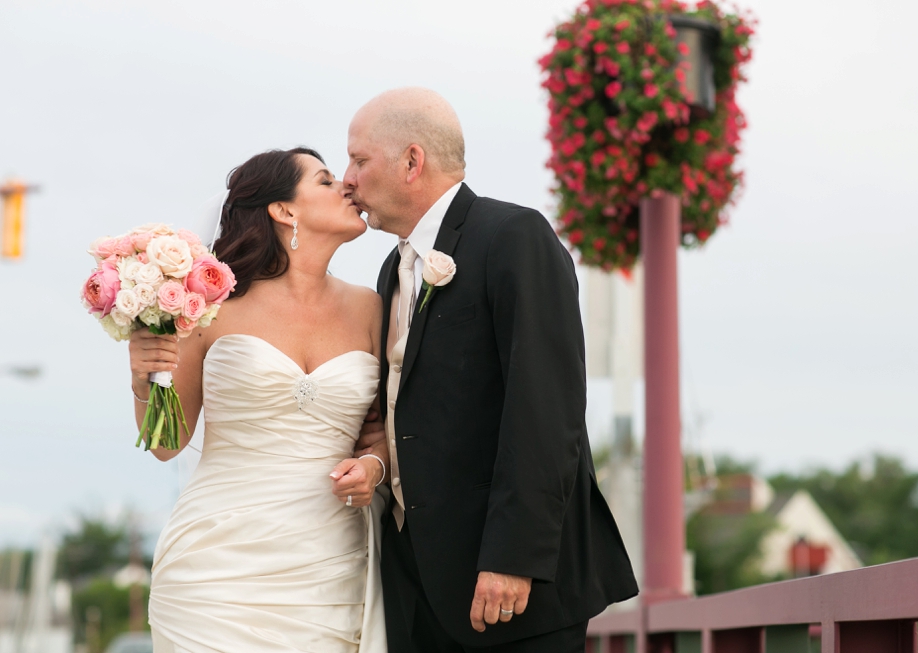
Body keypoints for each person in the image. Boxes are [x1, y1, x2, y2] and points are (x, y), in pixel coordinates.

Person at [345, 88, 638, 653]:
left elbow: (546, 413)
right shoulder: (392, 270)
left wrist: (512, 560)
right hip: (418, 590)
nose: (347, 179)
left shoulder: (513, 237)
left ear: (412, 161)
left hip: (510, 592)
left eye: (359, 160)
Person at [128, 147, 389, 652]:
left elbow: (378, 430)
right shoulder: (209, 309)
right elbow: (165, 444)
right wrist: (144, 377)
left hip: (328, 572)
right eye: (325, 180)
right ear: (284, 210)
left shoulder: (370, 307)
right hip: (215, 569)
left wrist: (373, 467)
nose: (347, 188)